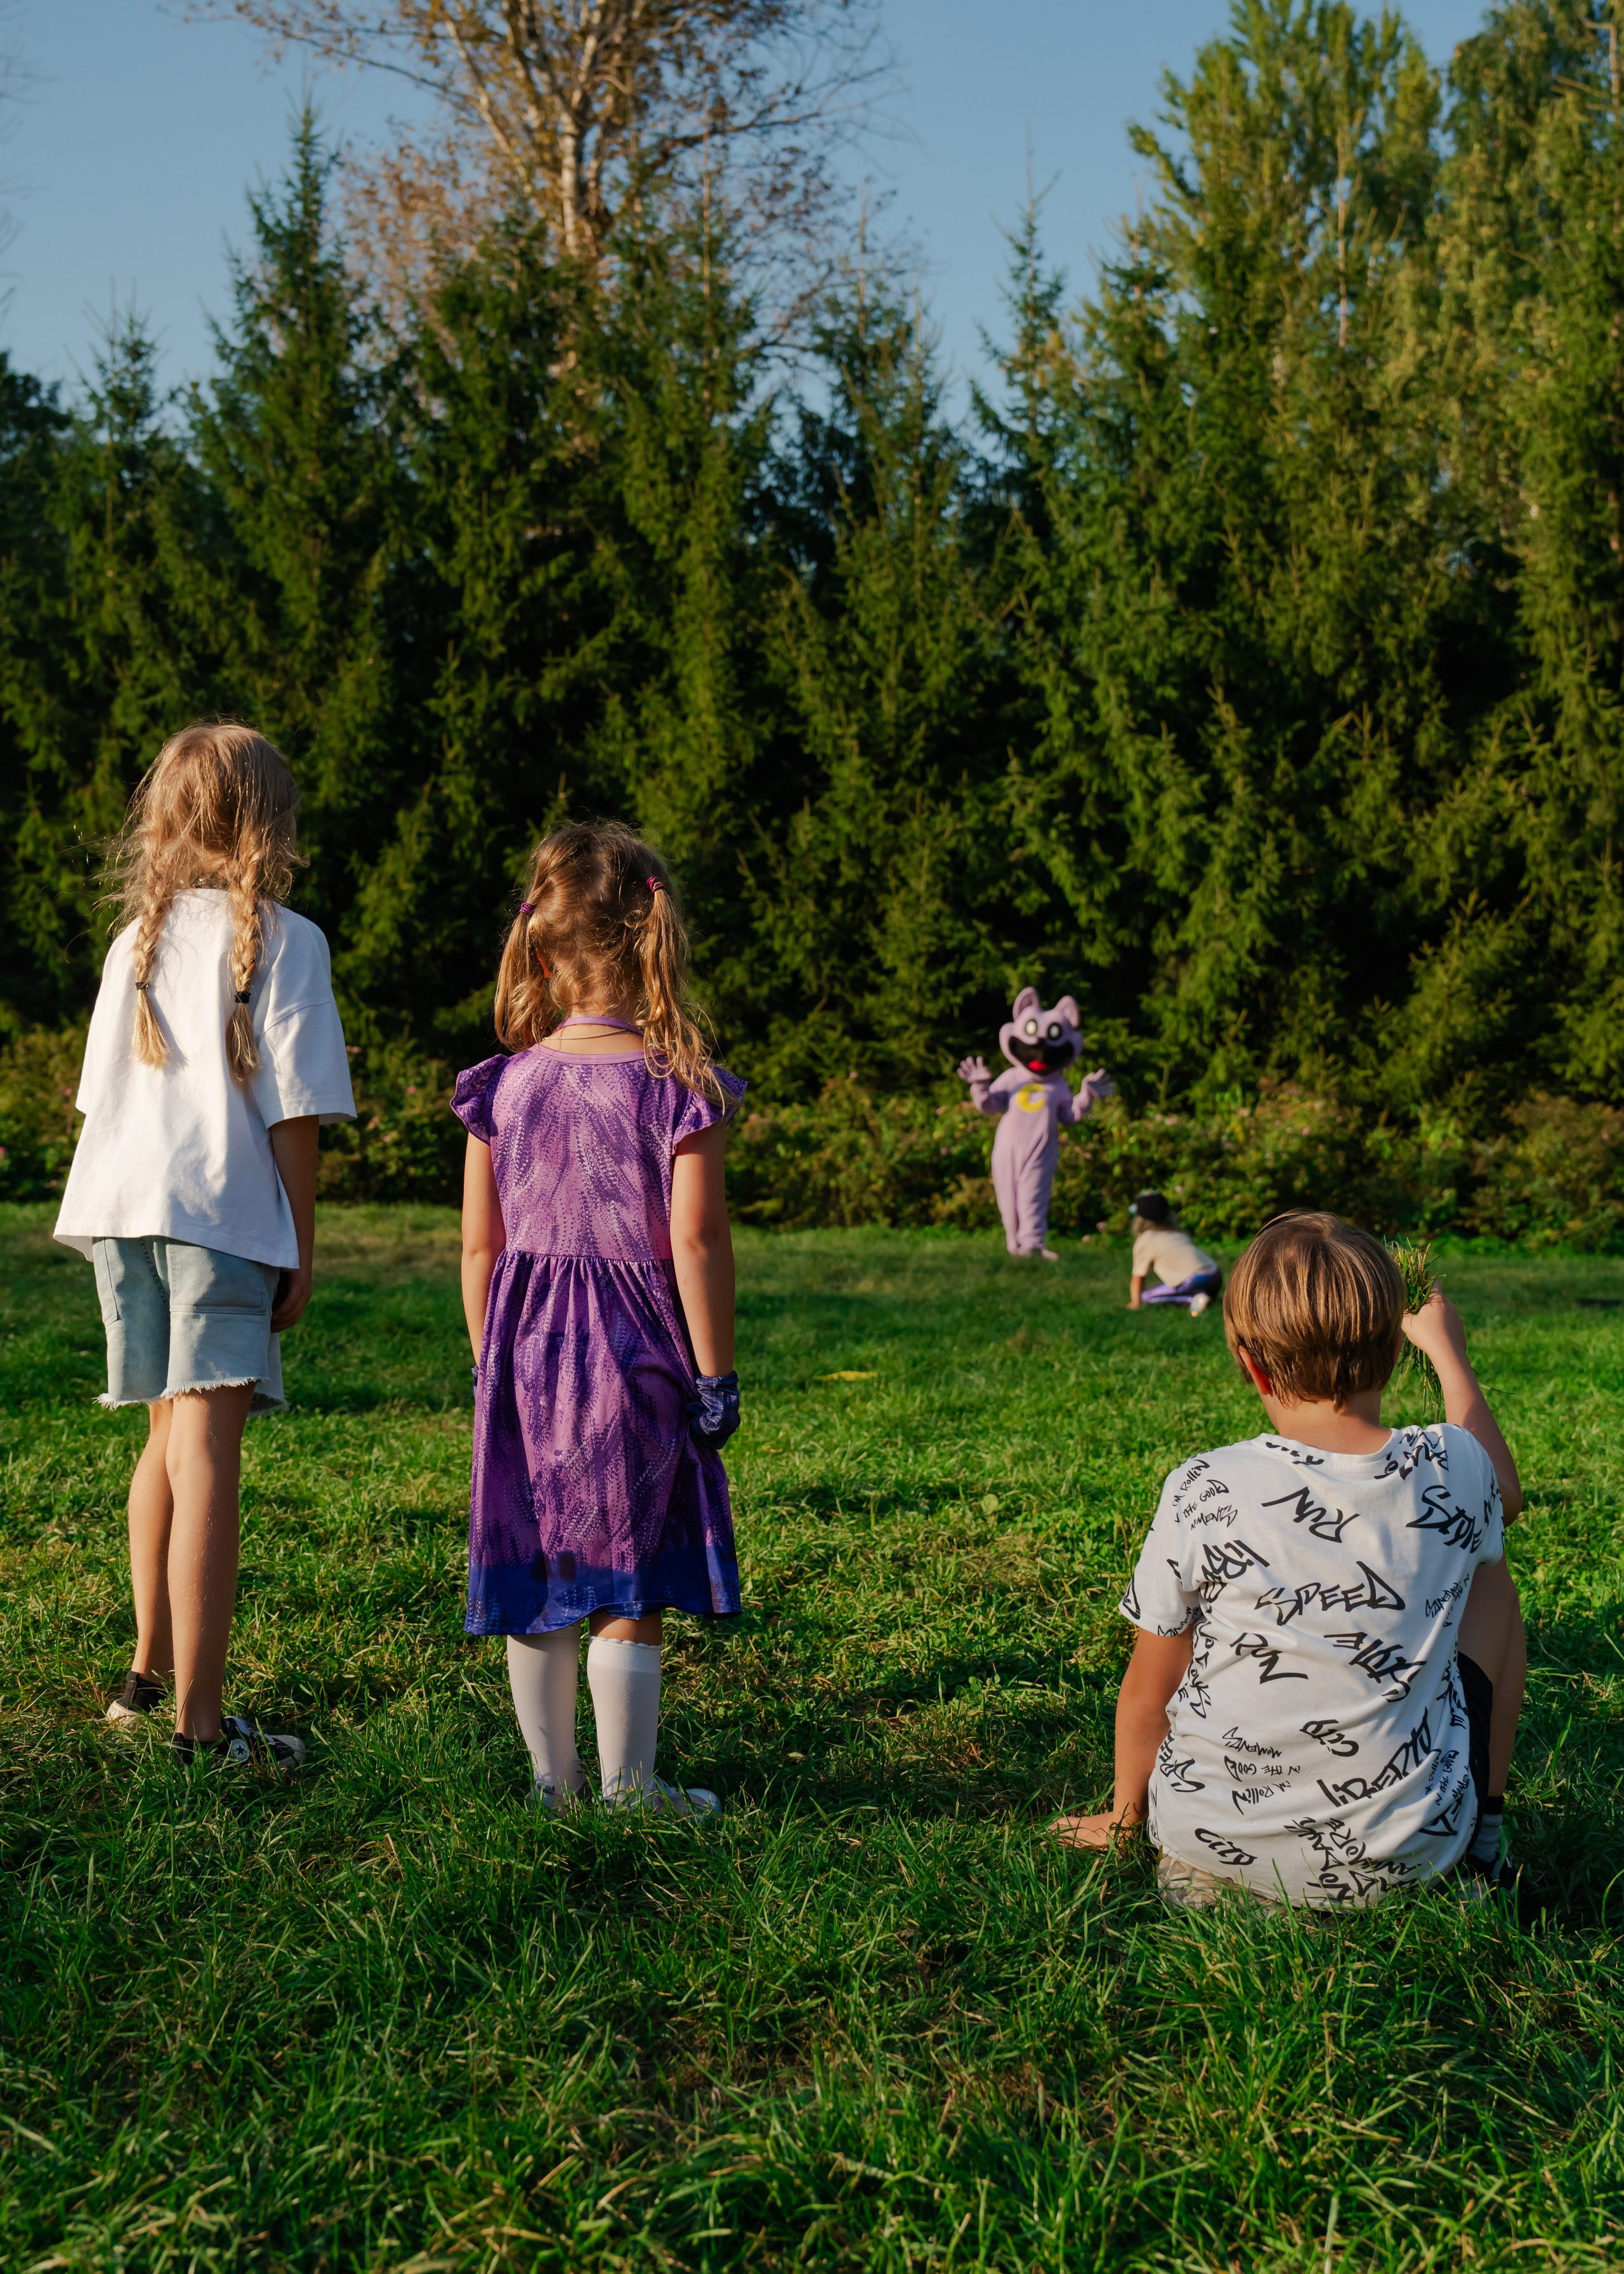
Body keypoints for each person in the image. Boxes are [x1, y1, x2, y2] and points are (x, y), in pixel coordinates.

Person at [1054, 1211, 1526, 1907]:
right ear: (1398, 1355)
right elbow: (1505, 1495)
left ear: (1248, 1362)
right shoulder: (1454, 1464)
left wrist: (1129, 1819)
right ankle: (1484, 1838)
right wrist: (1450, 1354)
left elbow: (1148, 1690)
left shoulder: (1202, 1483)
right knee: (1493, 1574)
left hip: (1203, 1864)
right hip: (1407, 1864)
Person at [55, 723, 355, 1770]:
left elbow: (95, 1098)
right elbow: (298, 1113)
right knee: (208, 1455)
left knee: (164, 1439)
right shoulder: (290, 940)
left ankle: (145, 1681)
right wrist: (302, 1247)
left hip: (119, 1212)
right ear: (271, 821)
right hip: (221, 1213)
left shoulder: (130, 943)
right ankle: (199, 1728)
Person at [454, 822, 743, 1820]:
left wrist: (489, 1358)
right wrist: (716, 1374)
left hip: (523, 1349)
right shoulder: (678, 1088)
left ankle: (553, 1785)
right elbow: (697, 1243)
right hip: (639, 1352)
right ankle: (632, 1789)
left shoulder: (505, 1084)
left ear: (544, 953)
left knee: (540, 1566)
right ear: (656, 940)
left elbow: (479, 1248)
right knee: (631, 1575)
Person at [1128, 1189, 1221, 1316]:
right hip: (1214, 1275)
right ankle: (1206, 1298)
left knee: (1147, 1296)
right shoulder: (1178, 1233)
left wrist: (1135, 1303)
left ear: (1140, 1219)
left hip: (1193, 1280)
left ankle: (1191, 1300)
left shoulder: (1146, 1240)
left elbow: (1138, 1279)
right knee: (1185, 1286)